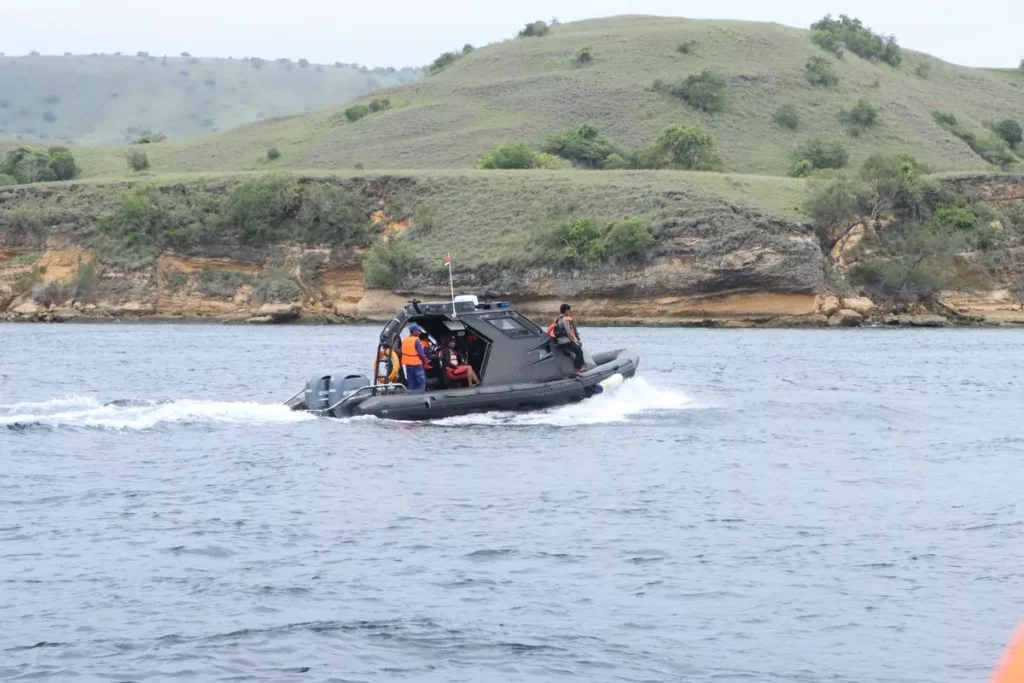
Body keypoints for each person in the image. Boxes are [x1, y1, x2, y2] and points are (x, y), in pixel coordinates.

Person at [547, 303, 586, 376]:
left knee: (576, 349)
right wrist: (575, 341)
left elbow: (549, 330)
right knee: (579, 351)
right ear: (566, 311)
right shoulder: (565, 319)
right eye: (569, 310)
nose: (570, 312)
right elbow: (569, 332)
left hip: (559, 341)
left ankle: (581, 367)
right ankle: (577, 370)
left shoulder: (558, 319)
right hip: (565, 341)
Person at [400, 324, 430, 392]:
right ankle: (421, 395)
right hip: (417, 364)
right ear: (414, 332)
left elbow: (402, 351)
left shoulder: (405, 340)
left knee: (411, 381)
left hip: (408, 364)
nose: (419, 332)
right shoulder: (417, 340)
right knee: (421, 381)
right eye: (418, 330)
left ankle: (412, 396)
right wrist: (425, 361)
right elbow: (421, 354)